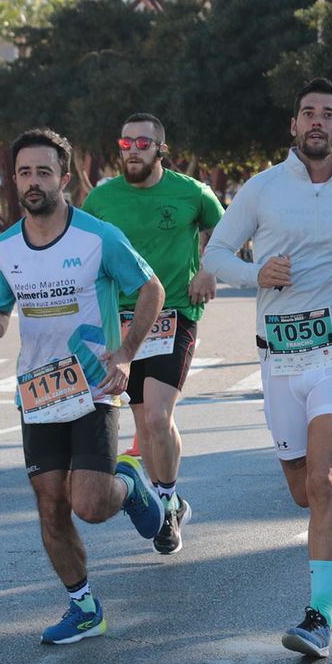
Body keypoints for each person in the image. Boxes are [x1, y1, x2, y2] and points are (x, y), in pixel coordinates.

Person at [195, 77, 332, 658]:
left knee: (324, 481)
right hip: (279, 358)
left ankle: (319, 617)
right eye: (308, 113)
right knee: (300, 489)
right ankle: (328, 526)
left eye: (329, 114)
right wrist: (254, 274)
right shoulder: (262, 190)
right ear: (294, 125)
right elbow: (215, 254)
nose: (318, 121)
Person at [0, 128, 167, 645]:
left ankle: (129, 486)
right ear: (14, 180)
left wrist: (125, 352)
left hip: (93, 387)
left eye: (43, 171)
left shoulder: (97, 237)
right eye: (23, 172)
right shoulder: (5, 248)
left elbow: (151, 288)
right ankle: (84, 607)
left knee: (89, 504)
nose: (33, 182)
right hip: (37, 394)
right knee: (50, 506)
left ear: (65, 178)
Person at [82, 112, 225, 555]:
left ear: (161, 148)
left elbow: (225, 231)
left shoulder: (190, 193)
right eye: (126, 144)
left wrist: (207, 270)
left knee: (159, 417)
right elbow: (79, 247)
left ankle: (165, 503)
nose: (133, 151)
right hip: (121, 320)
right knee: (146, 423)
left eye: (143, 143)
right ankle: (175, 498)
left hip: (176, 313)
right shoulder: (102, 200)